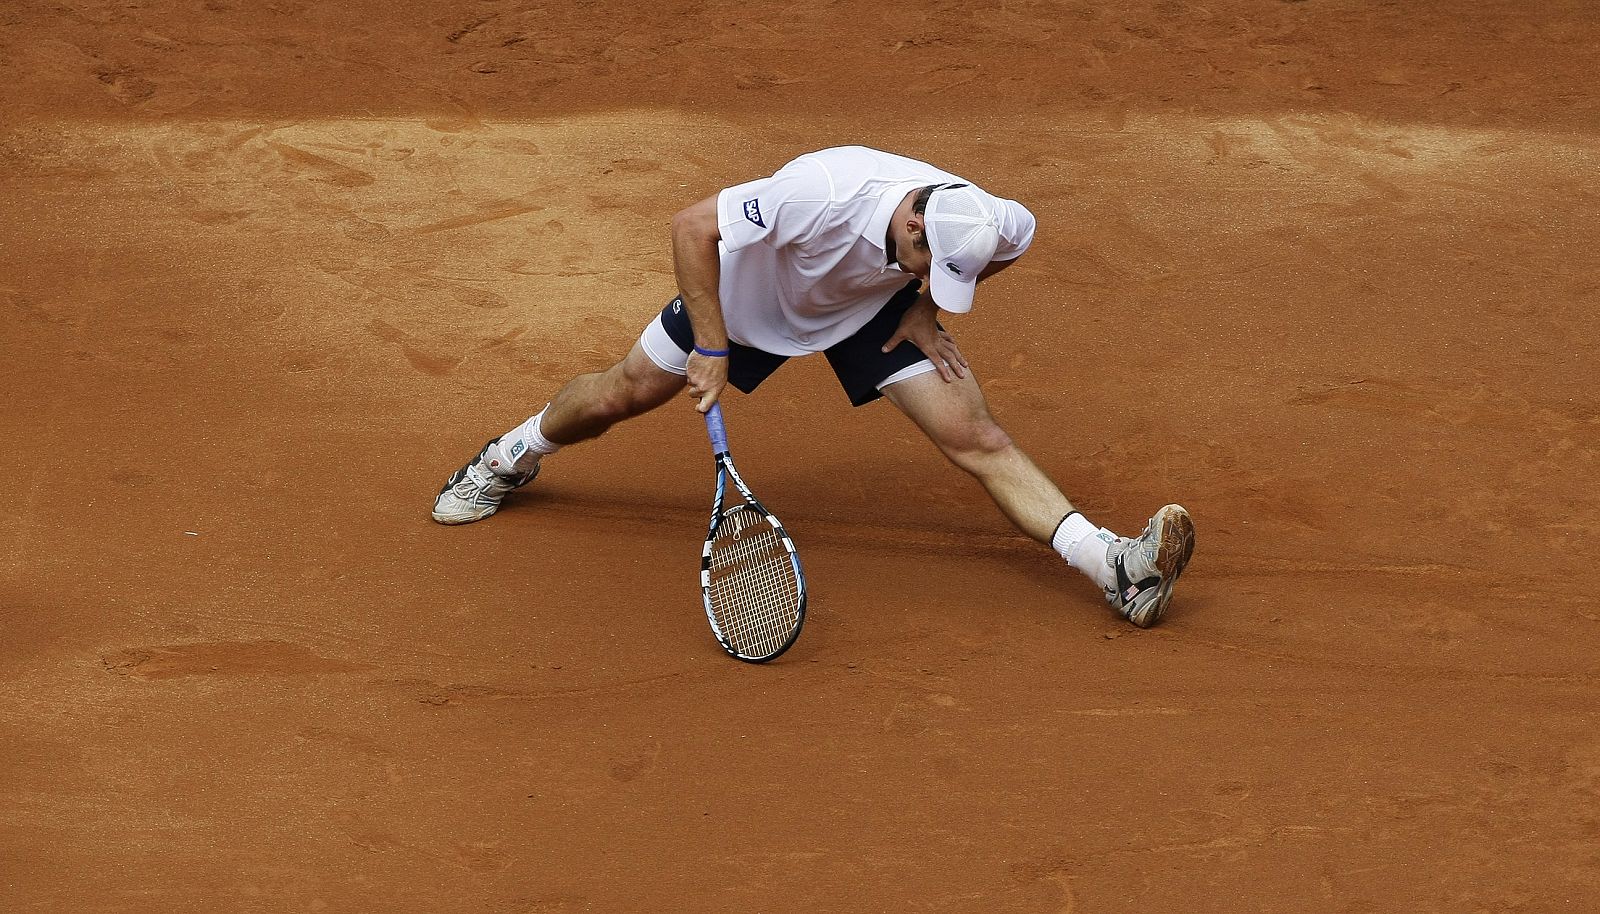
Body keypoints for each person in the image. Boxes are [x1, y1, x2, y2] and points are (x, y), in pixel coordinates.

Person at [432, 145, 1195, 627]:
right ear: (915, 227)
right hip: (747, 304)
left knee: (977, 437)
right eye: (933, 265)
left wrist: (925, 304)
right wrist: (709, 343)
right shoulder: (824, 192)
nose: (940, 276)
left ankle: (1115, 569)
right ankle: (509, 455)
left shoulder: (978, 215)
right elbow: (691, 226)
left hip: (867, 312)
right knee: (619, 395)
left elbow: (1016, 242)